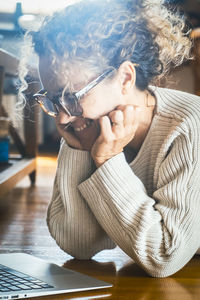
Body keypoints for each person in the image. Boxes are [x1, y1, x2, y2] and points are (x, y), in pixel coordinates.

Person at [19, 0, 200, 277]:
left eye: (72, 96)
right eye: (54, 100)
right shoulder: (85, 127)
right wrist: (81, 152)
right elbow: (77, 244)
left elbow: (164, 256)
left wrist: (108, 160)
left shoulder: (188, 124)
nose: (62, 118)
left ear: (125, 78)